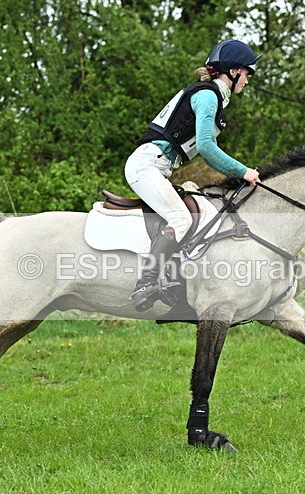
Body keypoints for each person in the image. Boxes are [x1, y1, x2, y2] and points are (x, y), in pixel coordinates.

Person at [125, 39, 262, 312]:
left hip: (158, 167)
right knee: (180, 217)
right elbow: (206, 146)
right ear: (233, 72)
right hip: (146, 165)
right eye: (248, 72)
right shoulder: (208, 95)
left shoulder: (211, 95)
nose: (248, 80)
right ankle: (146, 283)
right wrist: (242, 171)